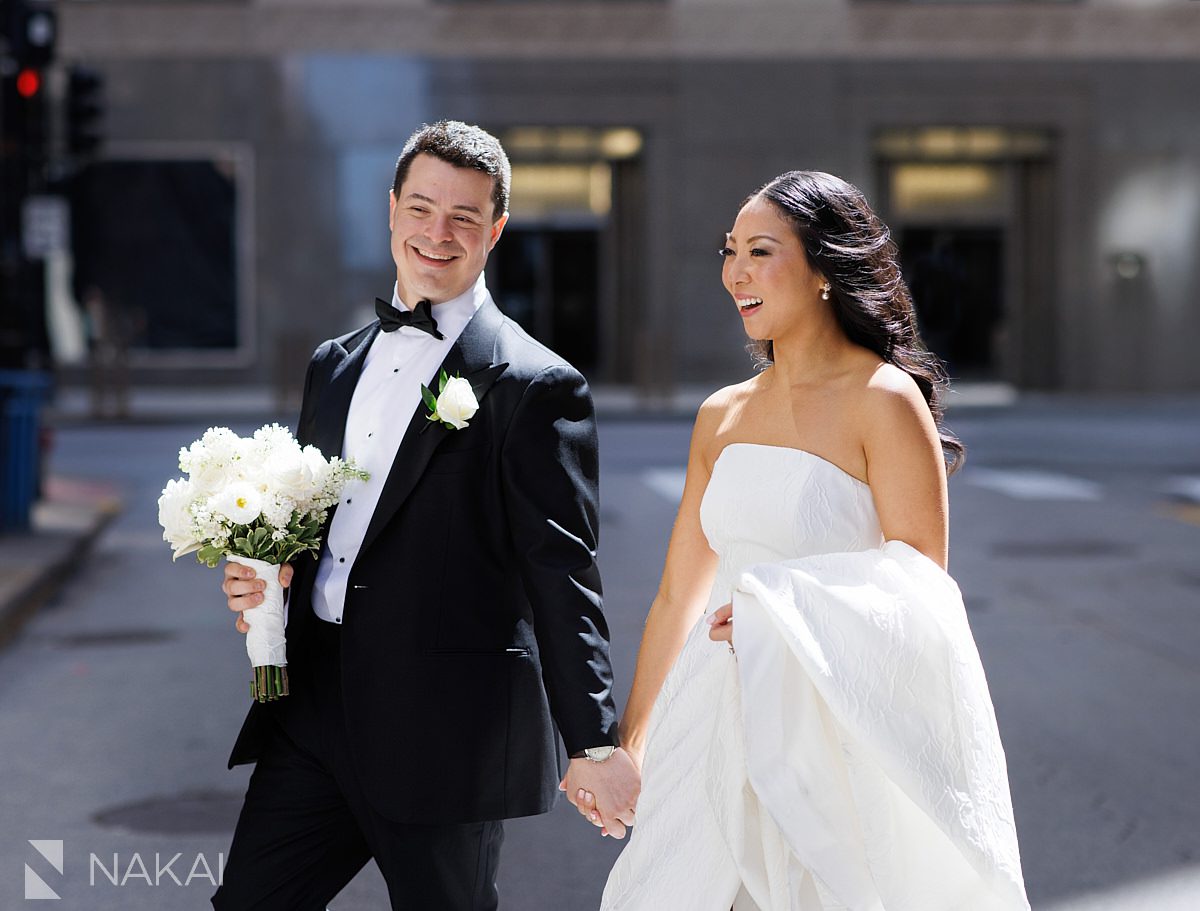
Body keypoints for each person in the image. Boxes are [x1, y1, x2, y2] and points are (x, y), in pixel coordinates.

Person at [211, 121, 639, 911]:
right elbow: (314, 526)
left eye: (464, 217)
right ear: (392, 212)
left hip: (443, 730)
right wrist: (265, 572)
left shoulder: (536, 386)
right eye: (421, 208)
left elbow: (562, 571)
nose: (437, 234)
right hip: (310, 711)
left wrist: (594, 739)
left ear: (496, 230)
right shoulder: (333, 364)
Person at [593, 171, 1030, 910]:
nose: (736, 273)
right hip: (714, 714)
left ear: (825, 267)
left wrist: (778, 606)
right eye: (730, 252)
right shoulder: (721, 415)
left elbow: (922, 589)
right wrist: (629, 744)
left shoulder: (883, 401)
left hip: (832, 731)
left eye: (761, 251)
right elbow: (677, 597)